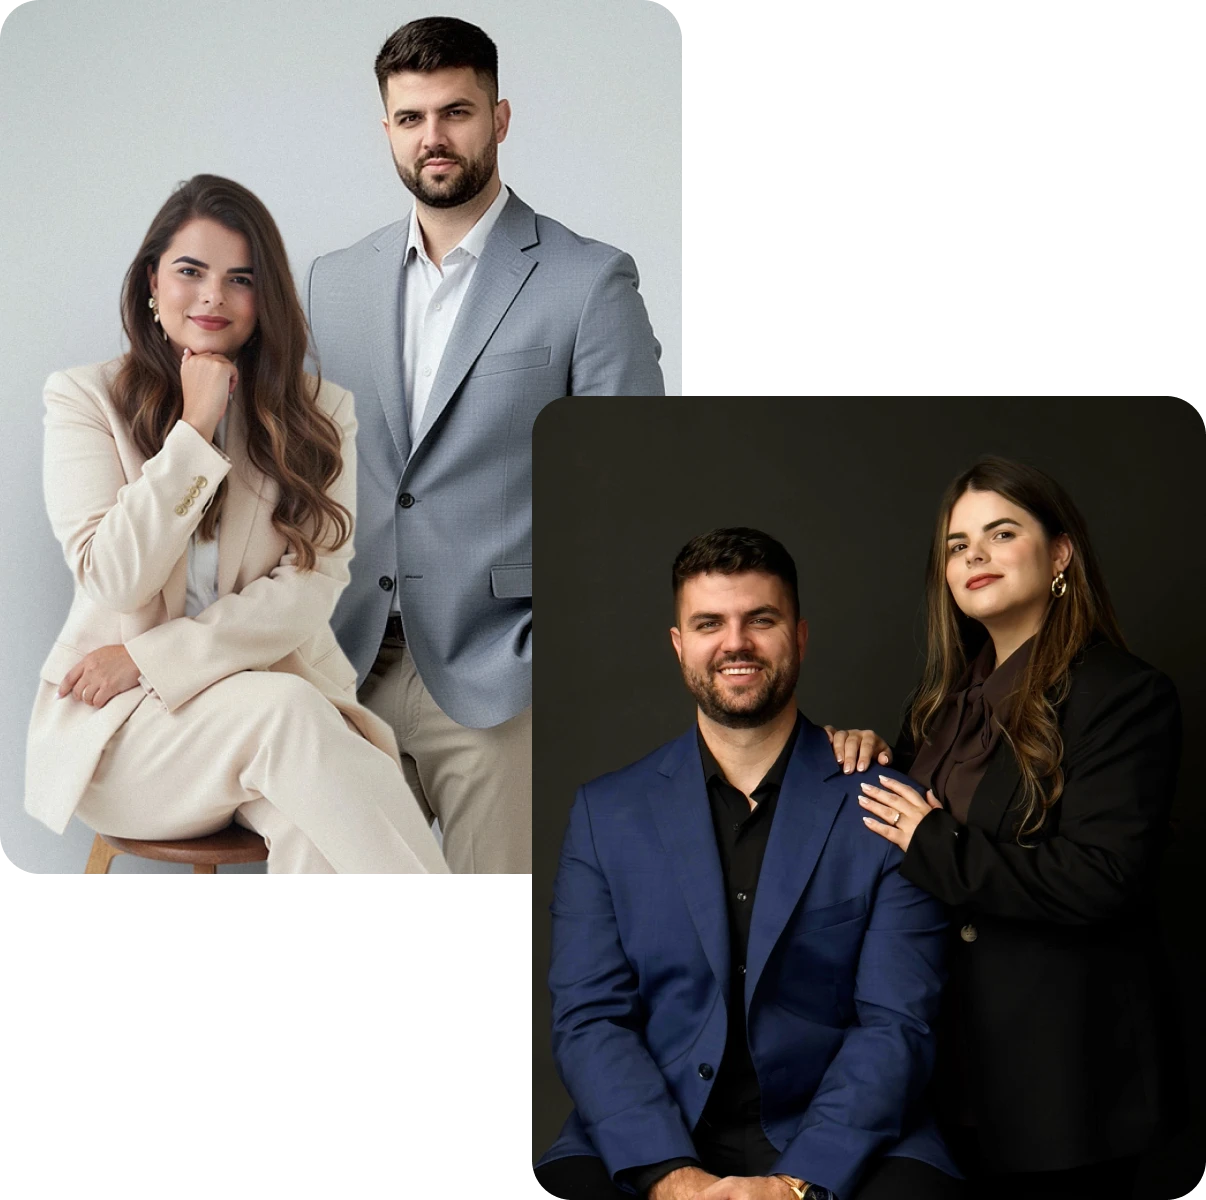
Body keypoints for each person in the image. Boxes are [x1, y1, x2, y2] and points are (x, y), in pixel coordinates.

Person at [304, 17, 665, 877]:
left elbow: (639, 492)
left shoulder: (588, 279)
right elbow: (310, 470)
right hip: (347, 664)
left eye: (456, 112)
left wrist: (558, 652)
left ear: (500, 118)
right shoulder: (333, 281)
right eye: (411, 117)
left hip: (502, 676)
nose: (434, 137)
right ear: (386, 129)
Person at [25, 174, 450, 878]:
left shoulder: (319, 414)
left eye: (241, 279)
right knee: (289, 715)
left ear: (266, 299)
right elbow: (115, 575)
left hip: (268, 729)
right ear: (152, 285)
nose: (214, 297)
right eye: (191, 272)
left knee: (316, 826)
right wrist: (193, 429)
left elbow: (307, 594)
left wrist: (146, 656)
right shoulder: (84, 400)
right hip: (127, 737)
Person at [532, 529, 964, 1200]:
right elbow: (590, 1018)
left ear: (799, 634)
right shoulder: (604, 814)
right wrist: (670, 1177)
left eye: (760, 620)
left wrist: (796, 1182)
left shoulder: (885, 805)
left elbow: (897, 1023)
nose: (736, 643)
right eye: (710, 623)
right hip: (654, 1128)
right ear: (680, 645)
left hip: (845, 1132)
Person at [828, 456, 1183, 1199]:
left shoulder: (1125, 695)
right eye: (958, 545)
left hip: (1063, 1088)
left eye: (1000, 532)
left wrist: (931, 839)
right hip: (943, 1072)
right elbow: (904, 849)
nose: (974, 556)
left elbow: (1102, 878)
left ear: (1059, 554)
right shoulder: (939, 706)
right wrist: (866, 761)